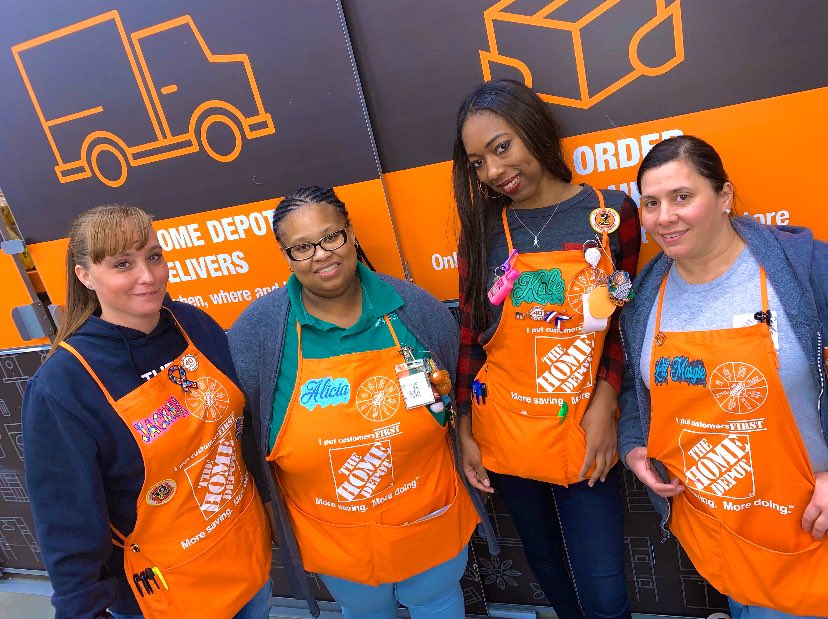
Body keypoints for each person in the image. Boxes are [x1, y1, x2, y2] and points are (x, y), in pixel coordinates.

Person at [228, 186, 498, 619]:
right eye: (301, 247)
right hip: (334, 537)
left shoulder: (416, 310)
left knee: (439, 600)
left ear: (351, 235)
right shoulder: (257, 332)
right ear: (286, 255)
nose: (321, 255)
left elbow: (463, 388)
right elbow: (240, 432)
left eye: (331, 237)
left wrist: (465, 433)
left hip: (428, 518)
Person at [22, 205, 273, 619]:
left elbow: (241, 431)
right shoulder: (64, 386)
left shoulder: (191, 323)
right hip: (165, 594)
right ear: (85, 276)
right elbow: (67, 519)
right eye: (123, 263)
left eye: (153, 256)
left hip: (244, 556)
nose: (148, 275)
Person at [618, 135, 828, 617]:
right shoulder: (644, 297)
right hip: (720, 529)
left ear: (725, 197)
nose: (663, 217)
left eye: (682, 197)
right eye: (651, 203)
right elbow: (633, 386)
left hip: (811, 523)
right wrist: (633, 444)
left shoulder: (802, 270)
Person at [452, 79, 638, 618]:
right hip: (504, 428)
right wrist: (464, 428)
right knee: (545, 562)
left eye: (502, 146)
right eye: (477, 161)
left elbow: (620, 316)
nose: (492, 171)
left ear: (536, 130)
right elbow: (469, 336)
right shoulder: (483, 230)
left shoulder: (614, 214)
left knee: (603, 587)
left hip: (583, 429)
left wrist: (607, 399)